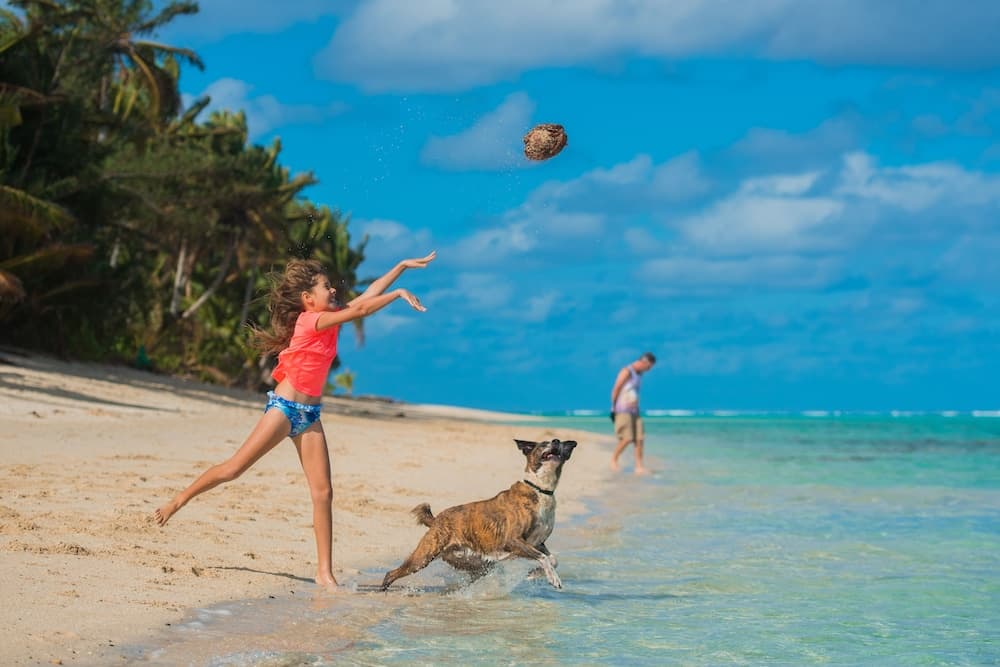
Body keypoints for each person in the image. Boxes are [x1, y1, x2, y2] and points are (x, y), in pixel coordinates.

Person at [153, 251, 436, 590]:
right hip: (284, 409)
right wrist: (399, 293)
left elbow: (366, 296)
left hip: (310, 416)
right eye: (326, 287)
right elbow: (362, 309)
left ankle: (324, 574)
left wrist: (400, 267)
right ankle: (179, 500)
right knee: (233, 469)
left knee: (323, 493)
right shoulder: (310, 321)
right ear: (307, 298)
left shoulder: (331, 316)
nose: (333, 290)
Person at [609, 352, 656, 475]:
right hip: (622, 410)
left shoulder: (639, 374)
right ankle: (613, 460)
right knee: (627, 438)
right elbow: (616, 389)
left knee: (640, 438)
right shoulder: (627, 371)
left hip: (635, 411)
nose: (648, 370)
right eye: (648, 367)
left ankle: (639, 466)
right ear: (644, 362)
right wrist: (613, 409)